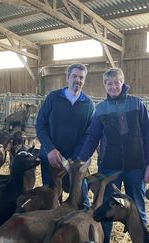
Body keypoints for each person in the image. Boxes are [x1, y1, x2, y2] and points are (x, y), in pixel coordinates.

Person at [79, 67, 149, 243]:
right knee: (106, 209)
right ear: (104, 86)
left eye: (116, 83)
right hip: (109, 167)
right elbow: (93, 137)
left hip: (136, 166)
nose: (113, 87)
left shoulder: (137, 104)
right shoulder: (101, 109)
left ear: (122, 83)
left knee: (137, 209)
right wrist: (82, 159)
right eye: (109, 84)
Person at [35, 63, 94, 207]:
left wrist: (75, 159)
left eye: (81, 77)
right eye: (74, 76)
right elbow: (40, 125)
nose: (77, 80)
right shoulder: (53, 98)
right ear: (67, 78)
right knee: (50, 196)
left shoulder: (88, 104)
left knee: (81, 196)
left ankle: (82, 221)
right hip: (51, 155)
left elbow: (87, 134)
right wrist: (49, 149)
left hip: (75, 158)